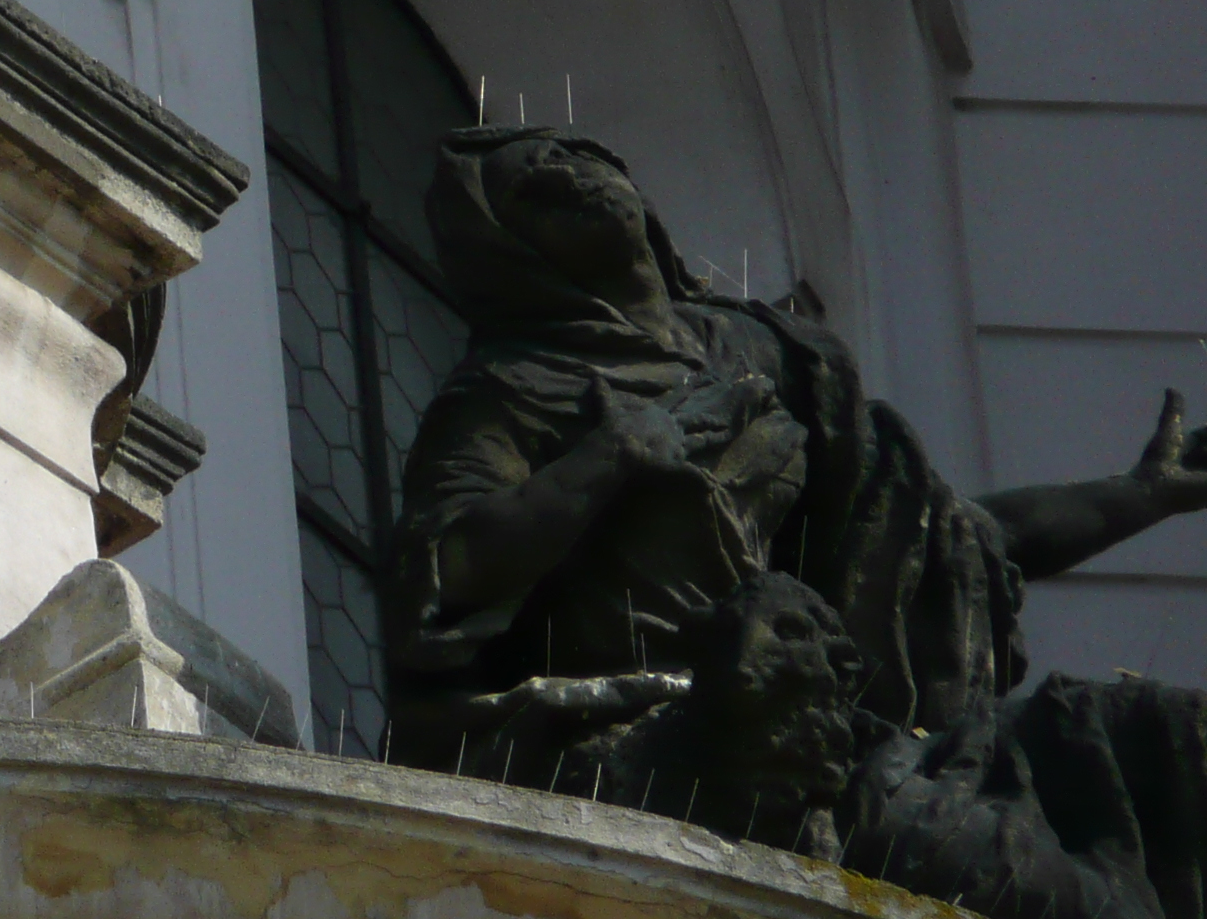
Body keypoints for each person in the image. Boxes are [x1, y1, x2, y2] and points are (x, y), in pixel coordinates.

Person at [393, 123, 1207, 918]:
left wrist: (1141, 494)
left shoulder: (763, 353)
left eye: (576, 155)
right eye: (533, 185)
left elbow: (937, 539)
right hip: (658, 733)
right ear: (509, 252)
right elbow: (445, 571)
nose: (570, 173)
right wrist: (612, 454)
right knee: (1031, 882)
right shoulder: (506, 390)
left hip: (819, 713)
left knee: (1154, 741)